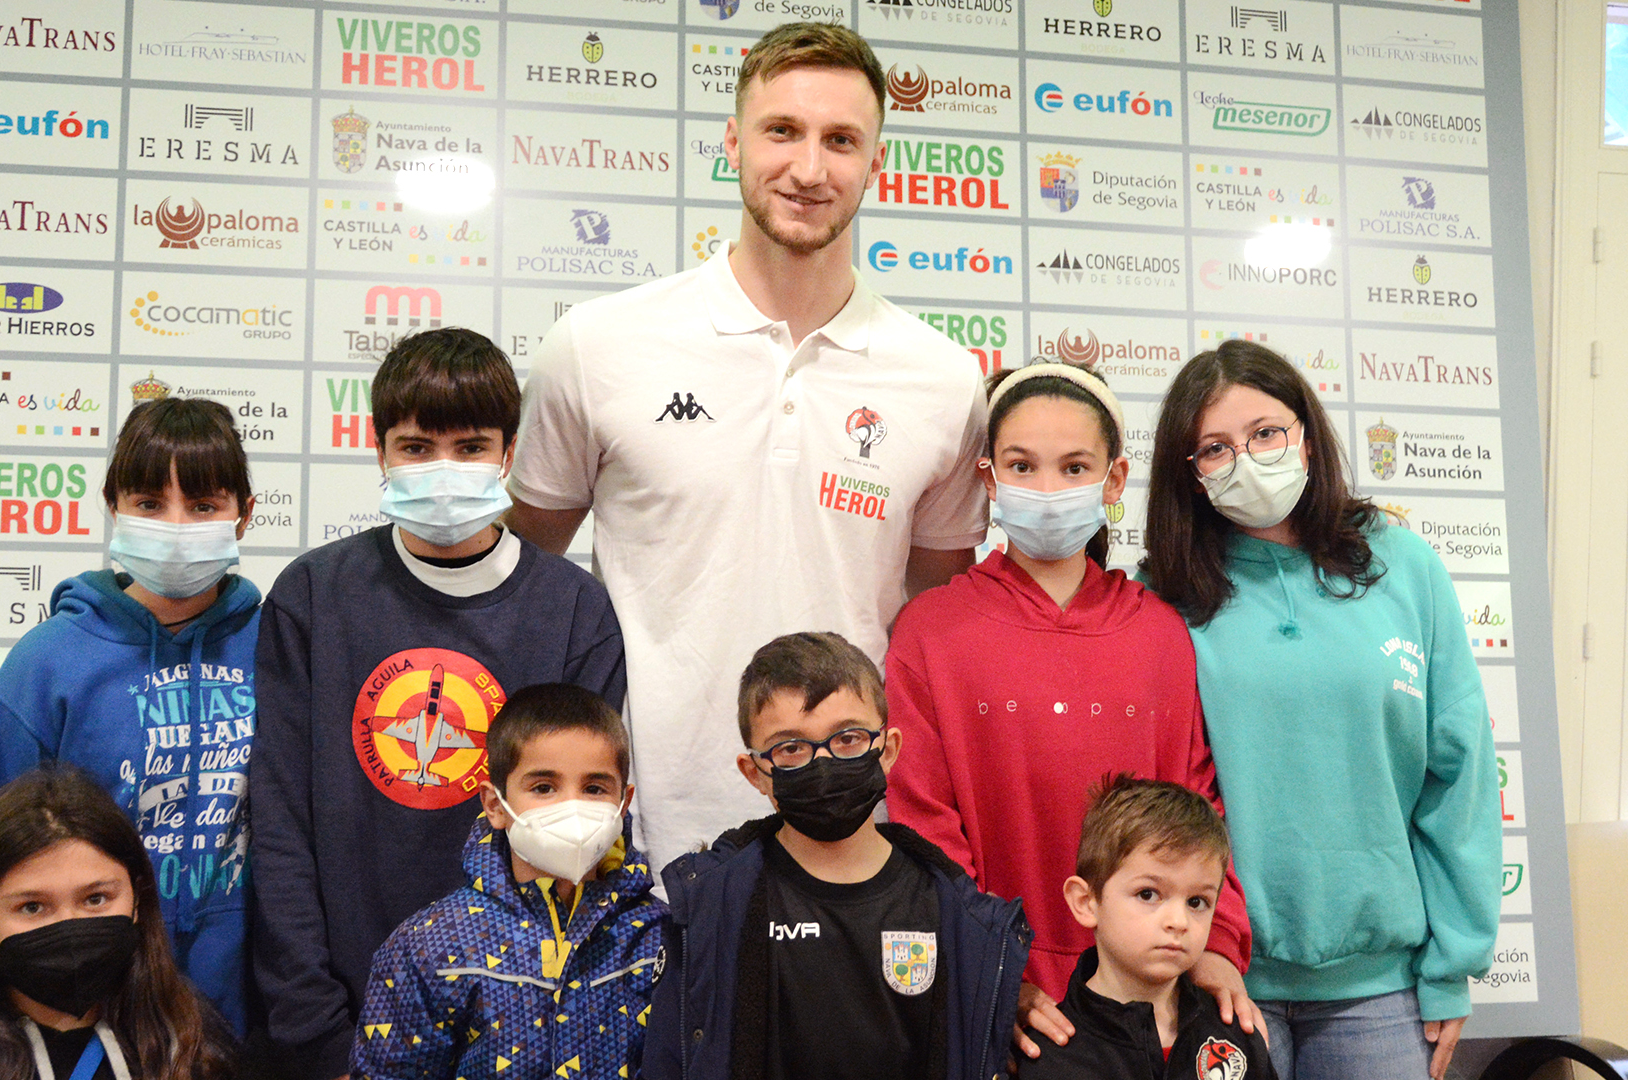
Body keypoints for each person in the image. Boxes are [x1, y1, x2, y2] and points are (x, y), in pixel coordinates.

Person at [505, 21, 989, 863]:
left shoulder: (944, 380)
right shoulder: (599, 343)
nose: (809, 169)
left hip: (854, 847)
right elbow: (514, 585)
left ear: (876, 160)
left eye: (842, 140)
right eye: (782, 131)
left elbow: (930, 630)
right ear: (733, 141)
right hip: (637, 851)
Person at [251, 327, 626, 1080]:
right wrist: (316, 1027)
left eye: (471, 445)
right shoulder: (314, 595)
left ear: (510, 453)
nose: (444, 469)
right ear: (378, 448)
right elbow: (280, 820)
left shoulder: (575, 609)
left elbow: (586, 830)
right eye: (418, 447)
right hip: (338, 1018)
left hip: (523, 1019)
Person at [1140, 340, 1500, 1080]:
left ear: (1306, 432)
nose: (1247, 459)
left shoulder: (1403, 565)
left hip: (1382, 993)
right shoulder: (1157, 598)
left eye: (1266, 433)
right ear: (1188, 473)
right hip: (1215, 977)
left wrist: (1452, 962)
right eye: (1214, 448)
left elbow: (1458, 773)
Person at [883, 362, 1256, 1056]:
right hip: (997, 1009)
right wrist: (994, 972)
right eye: (1022, 465)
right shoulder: (930, 632)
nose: (1047, 490)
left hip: (1149, 997)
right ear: (989, 481)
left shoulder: (1158, 632)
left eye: (1074, 465)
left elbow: (1197, 804)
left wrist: (1220, 942)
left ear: (1113, 481)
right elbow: (923, 832)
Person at [0, 397, 261, 1036]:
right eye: (150, 503)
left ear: (244, 515)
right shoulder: (47, 662)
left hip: (248, 1001)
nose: (176, 525)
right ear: (113, 505)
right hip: (87, 999)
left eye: (203, 505)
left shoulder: (279, 647)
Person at [642, 632, 1029, 1080]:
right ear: (755, 774)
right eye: (791, 748)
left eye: (847, 738)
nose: (822, 763)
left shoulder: (955, 914)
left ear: (888, 750)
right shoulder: (710, 908)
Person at [349, 684, 664, 1080]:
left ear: (624, 800)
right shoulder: (428, 947)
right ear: (496, 805)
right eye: (543, 787)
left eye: (594, 788)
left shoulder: (660, 937)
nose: (572, 805)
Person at [0, 766, 234, 1080]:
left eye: (95, 899)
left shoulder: (192, 1042)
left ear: (137, 900)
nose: (69, 927)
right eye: (32, 907)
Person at [1020, 776, 1279, 1080]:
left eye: (1196, 902)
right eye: (1148, 894)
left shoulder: (1235, 1034)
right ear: (1086, 902)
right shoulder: (1048, 1057)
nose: (1178, 922)